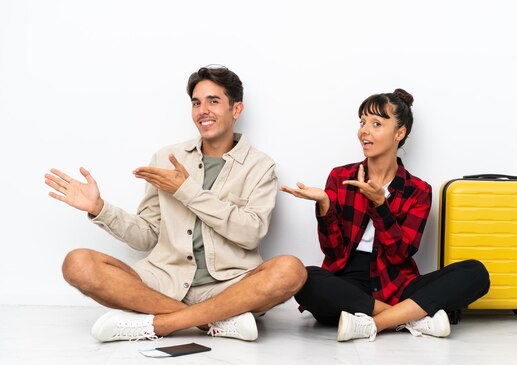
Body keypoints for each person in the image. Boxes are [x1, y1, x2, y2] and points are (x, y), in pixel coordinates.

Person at [45, 65, 307, 342]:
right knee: (77, 263)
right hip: (162, 282)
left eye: (213, 101)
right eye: (196, 103)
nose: (202, 110)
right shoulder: (165, 157)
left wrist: (186, 191)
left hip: (230, 286)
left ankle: (158, 325)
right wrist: (100, 209)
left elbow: (250, 233)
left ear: (237, 109)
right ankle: (212, 322)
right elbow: (147, 236)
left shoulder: (260, 166)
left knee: (291, 270)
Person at [281, 88, 490, 342]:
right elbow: (333, 253)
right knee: (307, 278)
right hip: (348, 283)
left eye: (376, 123)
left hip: (397, 284)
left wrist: (380, 206)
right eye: (362, 122)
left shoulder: (418, 190)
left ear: (399, 134)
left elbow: (401, 253)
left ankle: (374, 323)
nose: (364, 131)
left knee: (475, 272)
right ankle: (409, 318)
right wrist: (325, 205)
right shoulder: (340, 177)